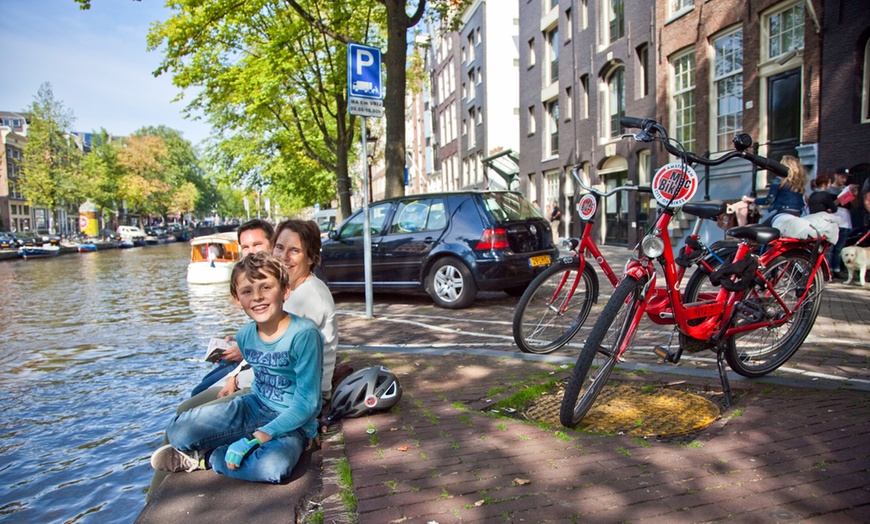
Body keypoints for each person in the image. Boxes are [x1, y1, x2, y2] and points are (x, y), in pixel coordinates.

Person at [150, 252, 323, 483]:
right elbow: (256, 367)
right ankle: (225, 447)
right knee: (178, 430)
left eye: (266, 288)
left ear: (285, 291)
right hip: (254, 407)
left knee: (273, 468)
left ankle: (210, 458)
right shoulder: (244, 335)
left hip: (293, 421)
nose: (258, 297)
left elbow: (307, 403)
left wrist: (258, 438)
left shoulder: (304, 335)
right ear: (236, 299)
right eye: (247, 291)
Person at [220, 219, 338, 404]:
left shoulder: (308, 296)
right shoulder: (292, 289)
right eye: (280, 248)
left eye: (295, 251)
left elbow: (276, 361)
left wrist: (236, 379)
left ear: (310, 257)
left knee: (189, 414)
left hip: (291, 396)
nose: (284, 257)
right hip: (274, 387)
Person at [189, 218, 276, 397]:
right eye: (245, 247)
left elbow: (283, 340)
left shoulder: (279, 285)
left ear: (272, 245)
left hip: (264, 369)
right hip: (253, 359)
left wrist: (244, 351)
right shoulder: (255, 280)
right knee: (200, 388)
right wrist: (240, 341)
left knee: (198, 394)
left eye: (257, 244)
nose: (251, 252)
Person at [743, 155, 808, 224]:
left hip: (783, 213)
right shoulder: (799, 182)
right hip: (797, 213)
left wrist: (751, 199)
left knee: (761, 230)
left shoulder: (778, 180)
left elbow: (768, 200)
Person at [827, 167, 856, 277]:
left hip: (846, 222)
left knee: (839, 248)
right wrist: (840, 198)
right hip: (834, 220)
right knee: (830, 247)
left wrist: (852, 196)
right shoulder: (829, 190)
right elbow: (830, 206)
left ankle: (837, 269)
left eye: (846, 178)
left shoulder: (847, 189)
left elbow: (855, 206)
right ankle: (828, 270)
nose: (844, 180)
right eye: (842, 177)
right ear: (836, 176)